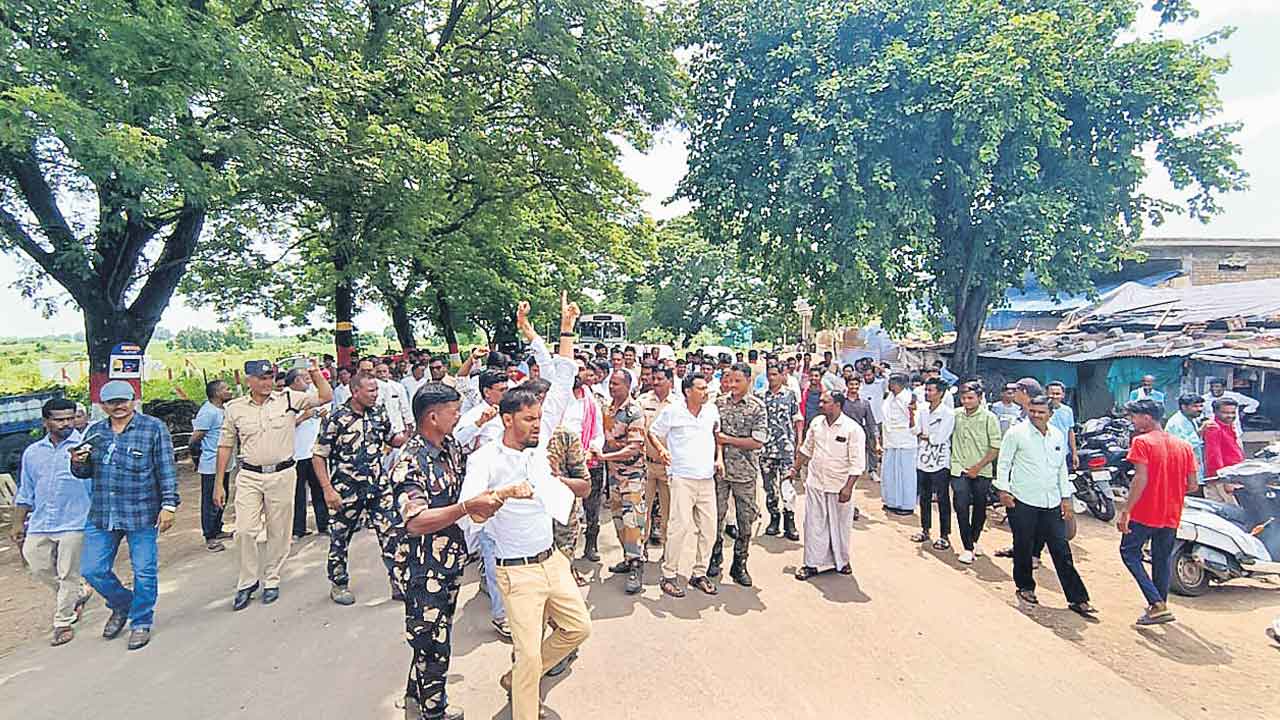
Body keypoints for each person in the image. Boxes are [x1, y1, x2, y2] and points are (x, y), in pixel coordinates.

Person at [461, 387, 592, 720]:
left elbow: (561, 377)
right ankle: (525, 703)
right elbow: (473, 515)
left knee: (578, 629)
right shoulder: (484, 460)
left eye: (538, 418)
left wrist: (563, 332)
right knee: (529, 657)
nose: (537, 425)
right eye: (529, 419)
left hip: (552, 560)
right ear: (507, 419)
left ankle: (516, 678)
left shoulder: (537, 452)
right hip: (517, 572)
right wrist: (504, 492)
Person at [393, 382, 504, 720]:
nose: (458, 416)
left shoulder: (450, 446)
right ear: (432, 416)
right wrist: (466, 507)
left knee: (432, 633)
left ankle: (416, 695)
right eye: (453, 411)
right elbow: (416, 520)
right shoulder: (411, 460)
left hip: (449, 561)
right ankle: (433, 711)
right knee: (432, 641)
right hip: (422, 566)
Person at [215, 359, 333, 610]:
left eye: (270, 377)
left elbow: (325, 396)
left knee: (279, 531)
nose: (267, 383)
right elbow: (225, 444)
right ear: (249, 380)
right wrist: (218, 483)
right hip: (249, 475)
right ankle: (247, 581)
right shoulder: (235, 408)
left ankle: (271, 578)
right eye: (261, 378)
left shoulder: (288, 398)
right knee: (245, 530)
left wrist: (314, 371)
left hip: (282, 474)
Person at [70, 380, 178, 651]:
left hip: (142, 513)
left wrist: (169, 505)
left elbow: (166, 469)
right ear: (102, 405)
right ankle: (123, 604)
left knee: (144, 570)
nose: (118, 406)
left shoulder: (153, 428)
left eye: (123, 400)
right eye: (111, 402)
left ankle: (140, 621)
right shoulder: (95, 432)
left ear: (133, 400)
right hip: (103, 513)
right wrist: (77, 462)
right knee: (92, 570)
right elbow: (85, 473)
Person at [994, 395, 1096, 617]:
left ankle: (1078, 598)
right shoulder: (1016, 433)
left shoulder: (1057, 435)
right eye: (1033, 411)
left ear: (1051, 414)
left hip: (1051, 501)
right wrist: (1003, 490)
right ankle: (1025, 587)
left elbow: (1060, 470)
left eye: (1041, 412)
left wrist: (1066, 498)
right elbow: (1004, 463)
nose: (1036, 416)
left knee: (1061, 549)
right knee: (1023, 546)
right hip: (1022, 499)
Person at [313, 371, 407, 605]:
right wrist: (327, 489)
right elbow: (318, 455)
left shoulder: (378, 412)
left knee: (391, 533)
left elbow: (390, 439)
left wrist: (410, 436)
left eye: (377, 389)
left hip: (378, 487)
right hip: (345, 490)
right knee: (340, 538)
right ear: (355, 392)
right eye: (371, 390)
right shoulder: (336, 418)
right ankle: (339, 583)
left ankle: (398, 581)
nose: (376, 394)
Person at [11, 398, 91, 646]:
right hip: (41, 521)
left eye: (71, 418)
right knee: (36, 564)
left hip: (75, 520)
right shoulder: (33, 453)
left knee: (68, 572)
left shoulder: (85, 448)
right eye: (60, 419)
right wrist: (18, 523)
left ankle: (63, 621)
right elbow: (26, 491)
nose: (67, 423)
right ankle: (77, 594)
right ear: (46, 422)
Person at [1117, 399, 1198, 626]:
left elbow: (1140, 479)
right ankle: (1159, 604)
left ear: (1147, 417)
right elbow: (1192, 484)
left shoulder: (1141, 442)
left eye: (1134, 416)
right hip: (1171, 512)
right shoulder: (1184, 446)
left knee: (1129, 553)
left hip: (1145, 511)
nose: (1132, 421)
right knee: (1161, 559)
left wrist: (1126, 511)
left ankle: (1156, 602)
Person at [650, 373, 723, 598]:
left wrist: (719, 458)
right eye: (701, 388)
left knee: (709, 530)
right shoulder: (673, 411)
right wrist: (662, 450)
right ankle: (669, 575)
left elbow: (716, 435)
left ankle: (699, 573)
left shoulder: (711, 410)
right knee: (678, 528)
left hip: (706, 478)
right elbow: (653, 432)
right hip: (682, 478)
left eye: (706, 387)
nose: (706, 391)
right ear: (688, 391)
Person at [793, 390, 865, 580]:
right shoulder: (817, 423)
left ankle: (841, 561)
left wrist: (848, 487)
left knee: (841, 526)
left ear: (838, 405)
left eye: (825, 402)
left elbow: (857, 463)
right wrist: (795, 469)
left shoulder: (852, 429)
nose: (820, 404)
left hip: (839, 485)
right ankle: (812, 564)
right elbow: (806, 450)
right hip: (816, 481)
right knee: (814, 524)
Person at [710, 363, 767, 587]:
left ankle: (740, 564)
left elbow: (757, 441)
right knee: (716, 517)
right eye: (729, 380)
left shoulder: (757, 407)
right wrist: (720, 453)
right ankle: (715, 558)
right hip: (720, 472)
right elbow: (714, 435)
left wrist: (728, 439)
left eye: (737, 381)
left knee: (745, 521)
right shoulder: (719, 404)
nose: (732, 385)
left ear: (748, 381)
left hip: (745, 473)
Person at [600, 368, 648, 593]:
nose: (612, 387)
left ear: (628, 386)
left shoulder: (634, 411)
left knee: (633, 521)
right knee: (618, 519)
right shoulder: (608, 409)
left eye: (617, 384)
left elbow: (634, 448)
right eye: (611, 383)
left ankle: (637, 566)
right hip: (614, 476)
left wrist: (605, 456)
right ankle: (628, 558)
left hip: (632, 476)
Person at [949, 383, 1001, 564]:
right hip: (958, 468)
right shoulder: (955, 415)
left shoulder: (989, 418)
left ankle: (974, 538)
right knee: (961, 506)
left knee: (979, 508)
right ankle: (968, 547)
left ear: (979, 398)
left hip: (982, 471)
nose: (966, 401)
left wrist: (977, 468)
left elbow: (995, 447)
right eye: (964, 398)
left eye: (970, 398)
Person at [911, 378, 955, 549]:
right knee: (924, 496)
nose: (927, 393)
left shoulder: (948, 414)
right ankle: (925, 529)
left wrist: (926, 435)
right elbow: (915, 430)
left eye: (931, 390)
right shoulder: (921, 409)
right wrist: (911, 416)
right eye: (926, 390)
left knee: (943, 497)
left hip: (940, 459)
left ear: (941, 393)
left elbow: (940, 438)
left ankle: (945, 534)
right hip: (923, 457)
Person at [761, 363, 803, 541]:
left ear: (782, 375)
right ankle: (774, 519)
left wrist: (799, 443)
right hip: (766, 450)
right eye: (769, 374)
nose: (772, 378)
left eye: (775, 374)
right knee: (770, 488)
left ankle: (789, 521)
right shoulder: (761, 396)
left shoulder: (790, 395)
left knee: (787, 487)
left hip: (786, 449)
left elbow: (798, 419)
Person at [191, 379, 233, 552]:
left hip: (226, 462)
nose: (230, 391)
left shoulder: (224, 409)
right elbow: (196, 437)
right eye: (226, 389)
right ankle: (209, 535)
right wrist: (195, 455)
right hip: (211, 464)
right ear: (217, 393)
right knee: (210, 500)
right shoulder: (208, 412)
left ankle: (217, 528)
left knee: (223, 495)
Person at [639, 366, 676, 549]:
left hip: (669, 467)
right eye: (654, 378)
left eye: (660, 379)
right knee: (641, 510)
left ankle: (667, 552)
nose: (655, 382)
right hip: (646, 464)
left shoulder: (678, 404)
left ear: (670, 381)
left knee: (669, 512)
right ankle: (640, 551)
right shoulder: (643, 401)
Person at [880, 373, 918, 515]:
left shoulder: (909, 398)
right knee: (890, 473)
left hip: (905, 441)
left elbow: (914, 419)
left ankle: (906, 505)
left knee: (905, 474)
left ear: (899, 384)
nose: (890, 386)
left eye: (892, 383)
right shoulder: (890, 397)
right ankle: (892, 502)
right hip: (891, 440)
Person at [1201, 397, 1244, 505]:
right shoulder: (1214, 428)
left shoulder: (1229, 426)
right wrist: (1225, 481)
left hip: (1231, 476)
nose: (1230, 416)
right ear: (1215, 412)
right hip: (1222, 479)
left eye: (1233, 412)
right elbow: (1214, 457)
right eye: (1225, 412)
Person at [841, 374, 878, 495]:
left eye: (856, 384)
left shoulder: (864, 403)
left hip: (859, 436)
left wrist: (876, 439)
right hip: (842, 436)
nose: (854, 387)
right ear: (847, 385)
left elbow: (871, 422)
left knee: (856, 464)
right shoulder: (841, 402)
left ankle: (872, 470)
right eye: (851, 384)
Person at [1164, 394, 1206, 489]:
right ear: (1184, 407)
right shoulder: (1177, 422)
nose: (1199, 409)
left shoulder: (1191, 419)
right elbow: (1183, 446)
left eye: (1201, 406)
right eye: (1195, 406)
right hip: (1182, 470)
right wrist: (1202, 429)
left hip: (1193, 468)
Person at [1203, 377, 1258, 449]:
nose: (1214, 389)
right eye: (1212, 386)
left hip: (1233, 432)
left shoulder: (1234, 396)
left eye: (1217, 386)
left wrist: (1244, 411)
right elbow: (1200, 415)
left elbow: (1254, 403)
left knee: (1236, 454)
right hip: (1214, 433)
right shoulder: (1205, 398)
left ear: (1224, 387)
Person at [1046, 381, 1078, 472]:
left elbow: (1070, 432)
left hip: (1064, 453)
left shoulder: (1067, 411)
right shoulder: (1041, 411)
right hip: (1047, 454)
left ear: (1063, 395)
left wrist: (1074, 453)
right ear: (1046, 394)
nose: (1054, 396)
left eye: (1057, 394)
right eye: (1052, 394)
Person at [377, 361, 415, 433]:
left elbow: (404, 406)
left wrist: (409, 422)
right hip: (379, 425)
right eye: (379, 372)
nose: (382, 374)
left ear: (388, 372)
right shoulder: (371, 387)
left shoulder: (398, 386)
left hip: (397, 425)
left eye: (384, 371)